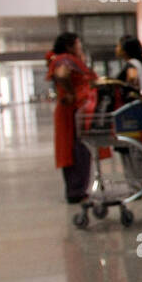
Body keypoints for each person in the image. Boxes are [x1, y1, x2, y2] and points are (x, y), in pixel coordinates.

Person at [46, 32, 97, 203]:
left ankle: (77, 190)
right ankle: (76, 191)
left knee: (78, 150)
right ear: (69, 46)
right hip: (73, 112)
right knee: (76, 151)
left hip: (75, 111)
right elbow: (61, 74)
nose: (80, 47)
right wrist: (71, 93)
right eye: (78, 44)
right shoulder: (65, 59)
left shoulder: (65, 59)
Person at [112, 35, 142, 186]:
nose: (116, 48)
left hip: (130, 114)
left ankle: (138, 184)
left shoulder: (131, 66)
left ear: (125, 49)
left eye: (118, 46)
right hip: (141, 113)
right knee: (140, 146)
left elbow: (132, 80)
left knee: (130, 148)